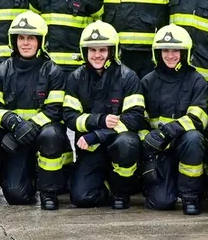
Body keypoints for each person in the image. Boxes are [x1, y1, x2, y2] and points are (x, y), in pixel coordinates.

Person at [0, 11, 68, 210]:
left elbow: (54, 110)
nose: (26, 43)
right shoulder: (1, 70)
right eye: (21, 38)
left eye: (31, 38)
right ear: (14, 41)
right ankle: (10, 178)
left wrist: (31, 126)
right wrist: (14, 123)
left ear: (41, 41)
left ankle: (49, 192)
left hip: (42, 135)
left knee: (52, 134)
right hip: (14, 137)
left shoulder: (53, 71)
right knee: (17, 195)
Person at [62, 21, 146, 210]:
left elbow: (135, 117)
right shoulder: (76, 78)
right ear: (85, 52)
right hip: (91, 149)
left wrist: (98, 134)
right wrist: (98, 120)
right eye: (92, 50)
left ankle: (122, 192)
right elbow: (69, 116)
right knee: (81, 197)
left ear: (112, 51)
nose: (97, 55)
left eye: (102, 50)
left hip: (118, 143)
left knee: (126, 144)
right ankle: (107, 186)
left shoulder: (128, 77)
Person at [138, 25, 208, 214]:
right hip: (160, 150)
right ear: (157, 53)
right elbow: (140, 120)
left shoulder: (197, 81)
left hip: (185, 145)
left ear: (185, 52)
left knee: (194, 138)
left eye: (176, 50)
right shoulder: (147, 81)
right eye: (165, 50)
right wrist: (148, 152)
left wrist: (167, 131)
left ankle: (191, 196)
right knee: (162, 202)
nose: (170, 55)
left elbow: (197, 118)